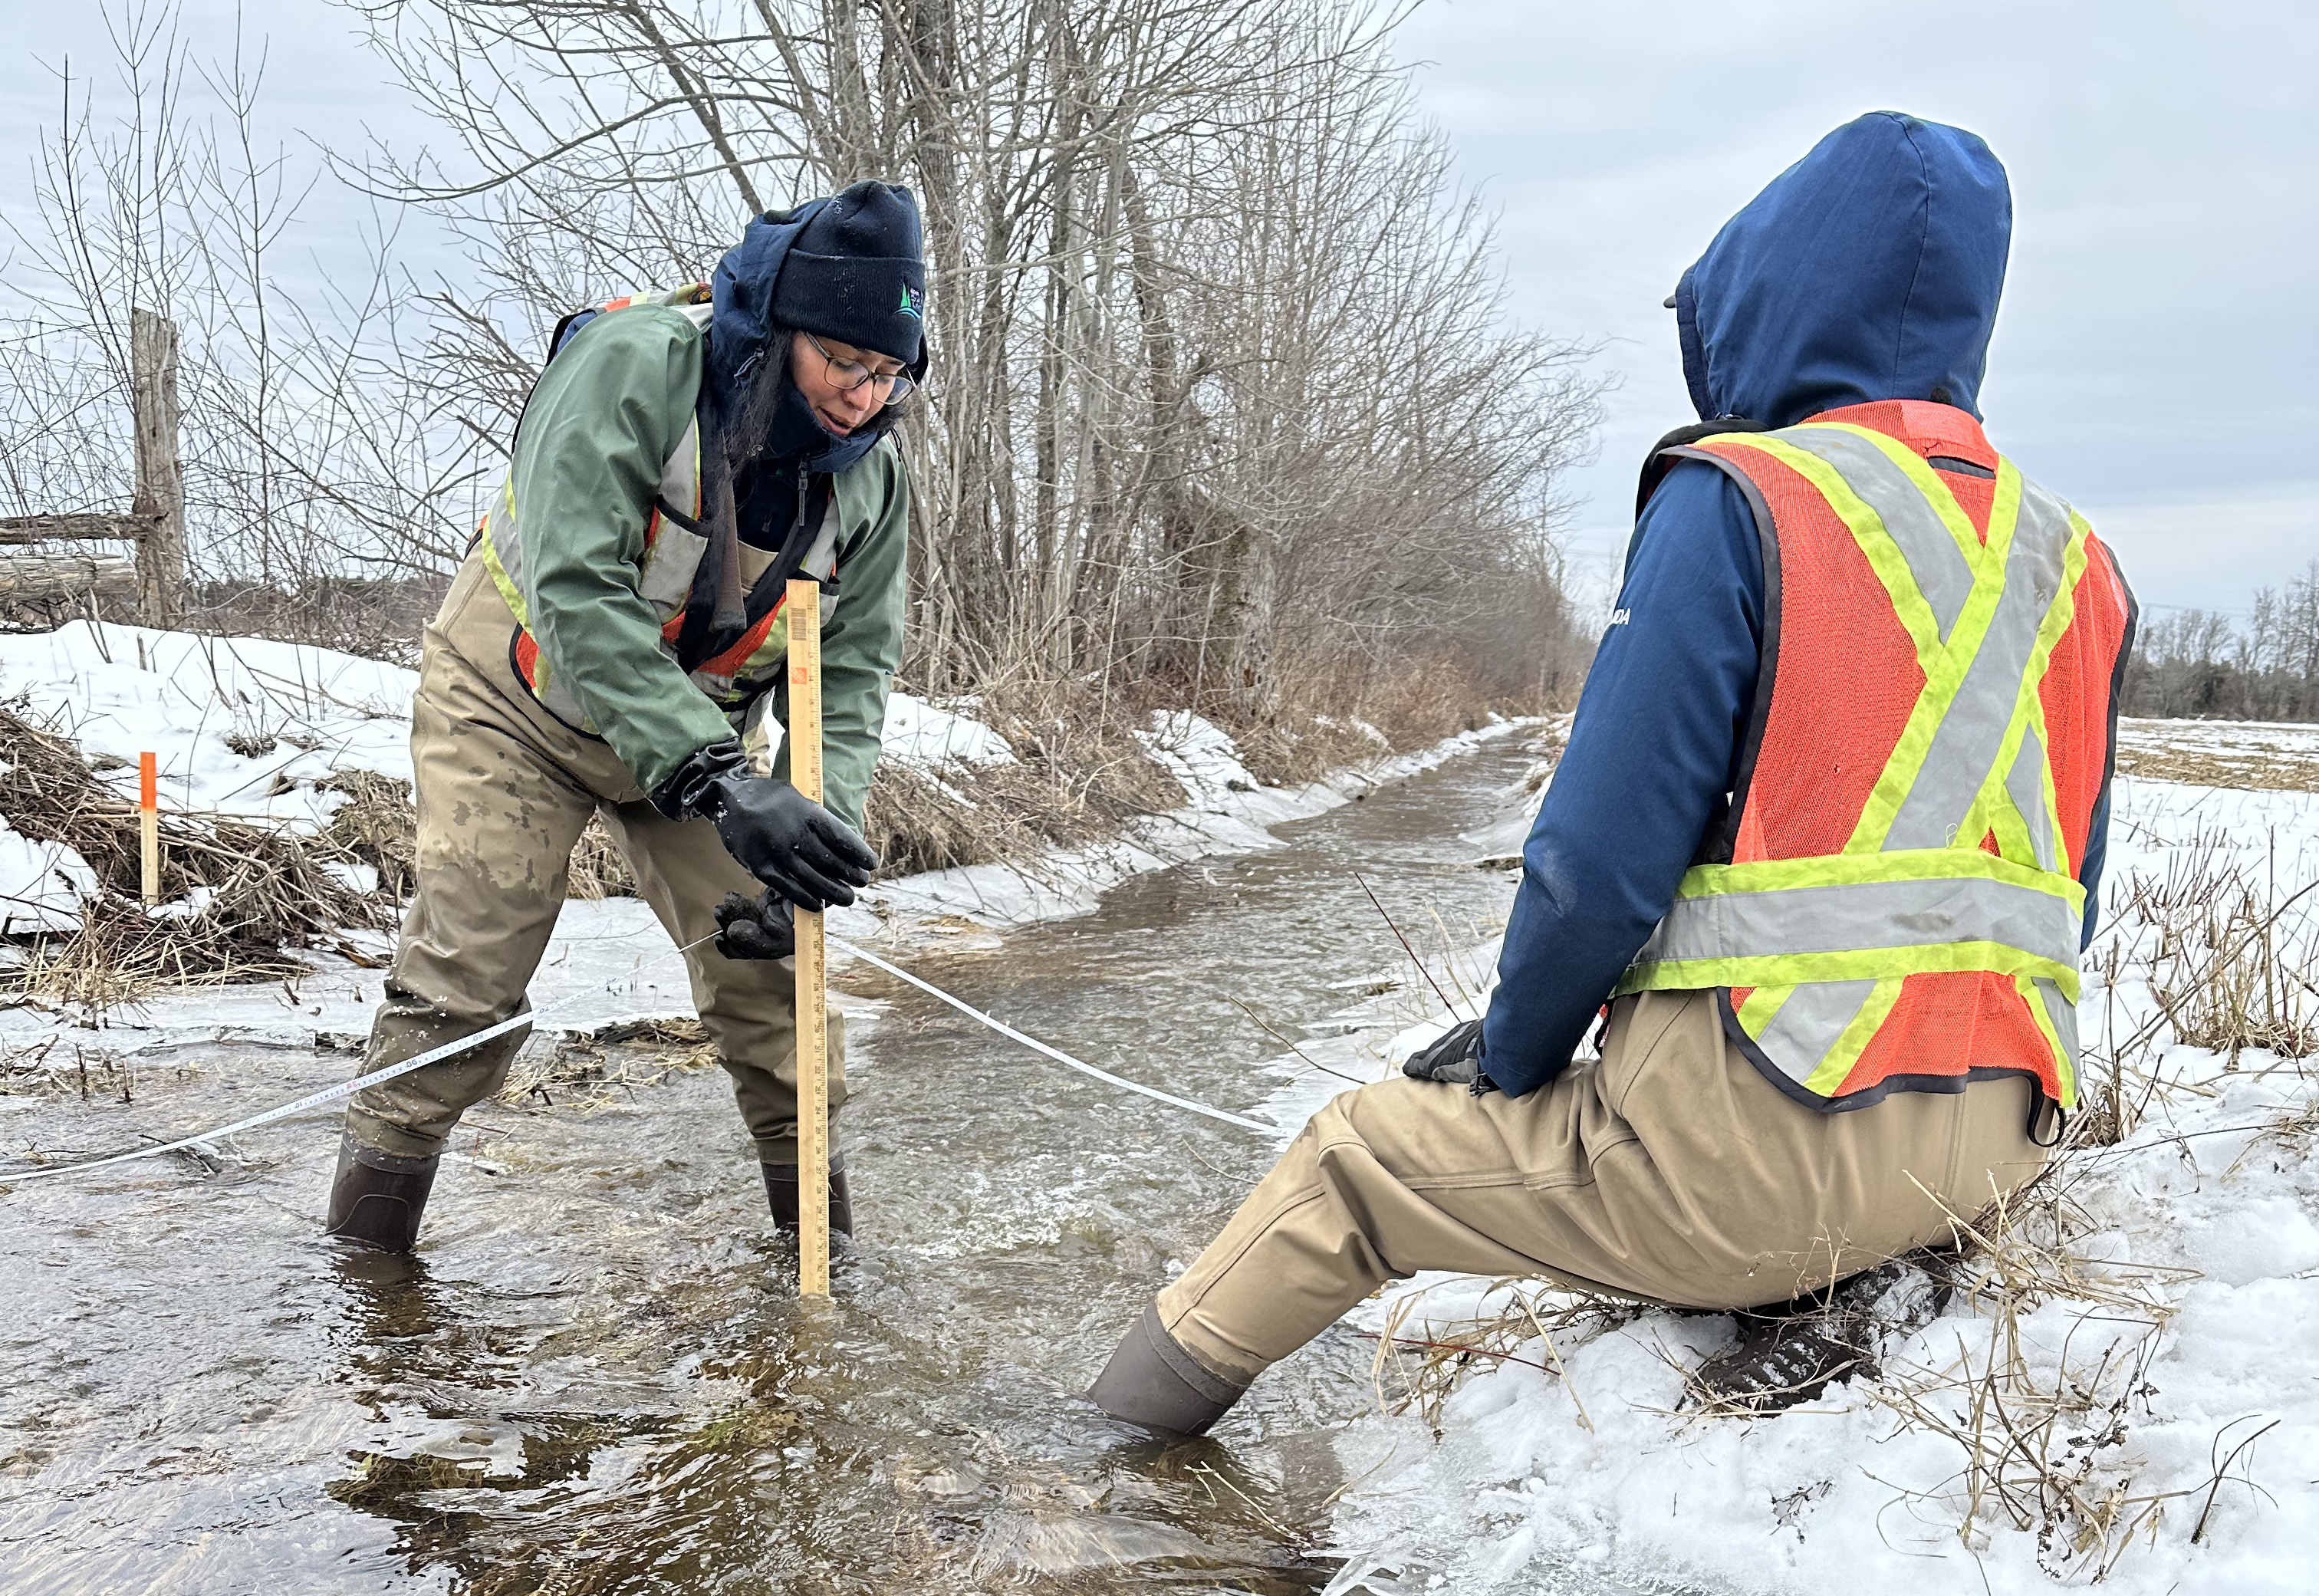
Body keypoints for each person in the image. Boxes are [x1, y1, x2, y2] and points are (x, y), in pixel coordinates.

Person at [1088, 114, 2137, 1433]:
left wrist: (1516, 1051)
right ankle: (1854, 1273)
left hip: (1763, 1173)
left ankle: (1095, 1462)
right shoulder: (2078, 559)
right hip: (1993, 1150)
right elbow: (2065, 895)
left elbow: (1590, 872)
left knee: (1348, 1164)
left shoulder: (1744, 497)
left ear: (1779, 290)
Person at [324, 181, 929, 1253]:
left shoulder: (872, 485)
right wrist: (717, 775)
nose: (861, 396)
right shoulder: (633, 368)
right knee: (466, 987)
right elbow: (573, 587)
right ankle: (365, 1291)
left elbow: (850, 674)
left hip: (688, 742)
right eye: (844, 361)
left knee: (785, 998)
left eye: (887, 375)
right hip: (514, 700)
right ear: (788, 323)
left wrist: (810, 824)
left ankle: (821, 1297)